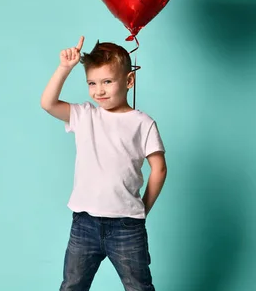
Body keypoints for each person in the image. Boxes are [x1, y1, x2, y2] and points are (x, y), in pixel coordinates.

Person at [40, 36, 168, 291]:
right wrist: (65, 68)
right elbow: (48, 104)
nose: (99, 90)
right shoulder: (85, 115)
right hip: (85, 222)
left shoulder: (143, 123)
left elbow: (159, 169)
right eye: (92, 83)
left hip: (126, 226)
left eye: (107, 82)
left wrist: (143, 208)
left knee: (139, 287)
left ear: (129, 81)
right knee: (72, 285)